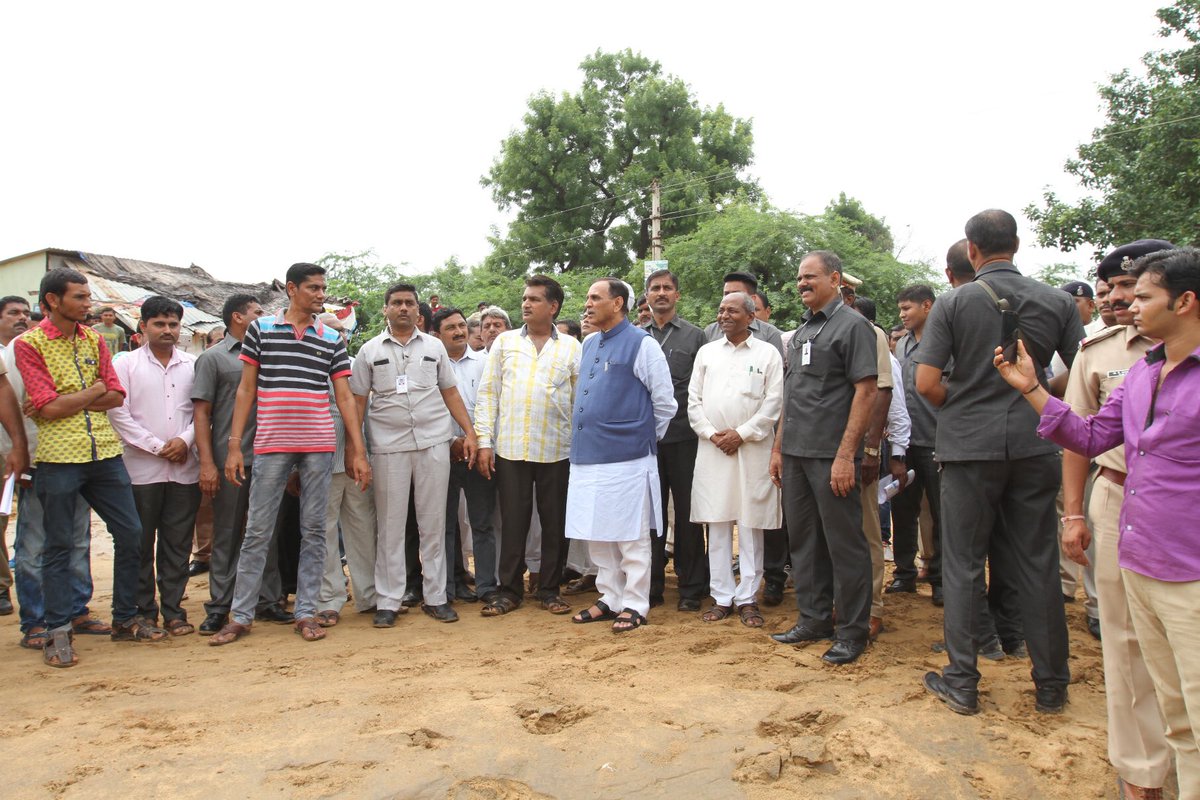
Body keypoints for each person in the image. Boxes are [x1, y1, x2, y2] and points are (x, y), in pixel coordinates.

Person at [994, 246, 1200, 798]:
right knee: (1172, 703)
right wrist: (1031, 388)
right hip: (1138, 551)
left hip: (1189, 563)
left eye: (1144, 296)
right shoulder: (1143, 374)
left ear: (1184, 302)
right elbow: (1088, 436)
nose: (1128, 304)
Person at [917, 209, 1083, 715]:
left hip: (968, 449)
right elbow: (1080, 375)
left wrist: (966, 404)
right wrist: (1037, 392)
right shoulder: (1058, 301)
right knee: (1038, 562)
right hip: (1037, 444)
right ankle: (1051, 685)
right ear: (1017, 243)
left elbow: (926, 383)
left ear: (972, 250)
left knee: (964, 564)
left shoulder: (953, 302)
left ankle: (963, 682)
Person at [1057, 240, 1174, 798]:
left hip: (1183, 509)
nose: (1122, 299)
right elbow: (1079, 436)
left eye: (1134, 287)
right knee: (1124, 639)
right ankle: (1141, 769)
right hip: (1117, 495)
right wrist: (1074, 513)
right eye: (1113, 287)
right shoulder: (1098, 352)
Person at [210, 263, 371, 645]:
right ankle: (241, 616)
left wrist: (357, 450)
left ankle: (306, 612)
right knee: (257, 530)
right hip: (271, 443)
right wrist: (234, 445)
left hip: (319, 444)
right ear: (291, 289)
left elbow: (344, 396)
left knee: (314, 530)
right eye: (313, 288)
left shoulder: (331, 338)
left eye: (323, 288)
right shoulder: (261, 330)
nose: (321, 295)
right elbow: (246, 390)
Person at [15, 268, 159, 668]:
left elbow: (116, 395)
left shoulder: (94, 339)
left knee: (131, 534)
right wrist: (93, 391)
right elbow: (48, 407)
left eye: (87, 296)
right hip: (59, 457)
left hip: (105, 453)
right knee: (58, 546)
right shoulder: (30, 344)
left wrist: (73, 397)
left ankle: (125, 619)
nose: (87, 303)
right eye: (78, 297)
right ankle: (57, 630)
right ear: (52, 300)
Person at [768, 250, 878, 665]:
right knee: (805, 544)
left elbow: (866, 392)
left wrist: (847, 455)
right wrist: (778, 449)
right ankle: (813, 619)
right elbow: (791, 397)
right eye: (799, 277)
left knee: (844, 546)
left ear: (835, 279)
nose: (802, 283)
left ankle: (852, 632)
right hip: (796, 456)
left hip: (831, 457)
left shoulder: (854, 326)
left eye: (810, 276)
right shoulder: (801, 332)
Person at [352, 285, 477, 627]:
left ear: (418, 311)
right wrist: (356, 449)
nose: (403, 308)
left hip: (433, 442)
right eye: (397, 303)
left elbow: (450, 392)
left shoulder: (434, 347)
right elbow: (358, 401)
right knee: (390, 525)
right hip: (388, 445)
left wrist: (469, 432)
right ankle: (389, 601)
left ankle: (436, 598)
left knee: (433, 523)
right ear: (386, 309)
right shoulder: (369, 350)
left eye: (409, 303)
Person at [568, 279, 676, 632]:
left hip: (628, 458)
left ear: (617, 303)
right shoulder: (588, 343)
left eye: (594, 298)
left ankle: (635, 602)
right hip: (587, 456)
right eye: (587, 297)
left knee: (631, 535)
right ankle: (610, 596)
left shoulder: (643, 344)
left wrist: (637, 437)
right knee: (597, 531)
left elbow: (665, 403)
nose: (587, 304)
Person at [474, 276, 580, 616]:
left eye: (534, 299)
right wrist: (484, 442)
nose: (526, 304)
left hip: (557, 449)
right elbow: (488, 395)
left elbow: (579, 402)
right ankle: (508, 591)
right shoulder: (505, 343)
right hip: (511, 449)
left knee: (555, 523)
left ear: (553, 307)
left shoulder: (572, 347)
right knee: (514, 522)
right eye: (524, 298)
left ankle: (549, 590)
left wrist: (579, 447)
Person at [192, 293, 293, 634]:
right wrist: (207, 463)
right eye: (257, 311)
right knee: (228, 532)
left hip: (272, 456)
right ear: (237, 317)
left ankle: (268, 600)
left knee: (269, 532)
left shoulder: (272, 353)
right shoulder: (213, 358)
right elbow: (201, 413)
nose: (264, 316)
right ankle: (220, 605)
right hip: (232, 460)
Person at [107, 296, 201, 636]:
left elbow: (204, 412)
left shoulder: (193, 365)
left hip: (184, 469)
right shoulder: (126, 365)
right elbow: (118, 413)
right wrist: (157, 446)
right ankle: (144, 611)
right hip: (141, 470)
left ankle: (174, 611)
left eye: (173, 324)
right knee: (140, 543)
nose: (167, 330)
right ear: (143, 326)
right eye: (159, 324)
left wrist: (185, 440)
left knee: (178, 545)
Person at [688, 292, 783, 627]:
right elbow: (693, 401)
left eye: (732, 310)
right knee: (716, 523)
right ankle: (721, 597)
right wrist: (712, 434)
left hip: (752, 449)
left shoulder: (768, 353)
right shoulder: (707, 352)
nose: (724, 315)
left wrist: (741, 434)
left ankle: (747, 597)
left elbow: (774, 403)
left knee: (750, 523)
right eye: (721, 310)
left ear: (751, 316)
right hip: (713, 449)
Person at [641, 268, 708, 611]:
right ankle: (650, 587)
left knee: (688, 513)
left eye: (667, 288)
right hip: (646, 441)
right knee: (651, 515)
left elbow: (703, 388)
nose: (661, 293)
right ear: (647, 296)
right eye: (655, 288)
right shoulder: (636, 337)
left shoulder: (696, 337)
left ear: (677, 295)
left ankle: (692, 587)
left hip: (685, 437)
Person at [314, 313, 378, 626]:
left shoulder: (357, 364)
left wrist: (364, 453)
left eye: (342, 331)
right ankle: (329, 599)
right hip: (321, 459)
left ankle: (370, 595)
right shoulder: (310, 365)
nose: (339, 336)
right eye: (332, 330)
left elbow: (367, 411)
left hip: (358, 459)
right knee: (323, 531)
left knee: (363, 527)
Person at [433, 307, 498, 605]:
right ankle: (448, 588)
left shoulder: (486, 363)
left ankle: (487, 587)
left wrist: (481, 443)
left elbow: (491, 406)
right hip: (442, 452)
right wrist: (451, 440)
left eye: (461, 325)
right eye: (451, 328)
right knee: (444, 526)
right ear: (436, 334)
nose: (459, 331)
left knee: (482, 523)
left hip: (479, 453)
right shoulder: (430, 364)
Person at [890, 285, 944, 601]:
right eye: (900, 309)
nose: (902, 315)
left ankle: (940, 578)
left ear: (927, 306)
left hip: (936, 438)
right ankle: (904, 574)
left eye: (907, 308)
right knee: (903, 509)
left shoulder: (945, 340)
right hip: (905, 443)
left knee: (940, 513)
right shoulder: (902, 345)